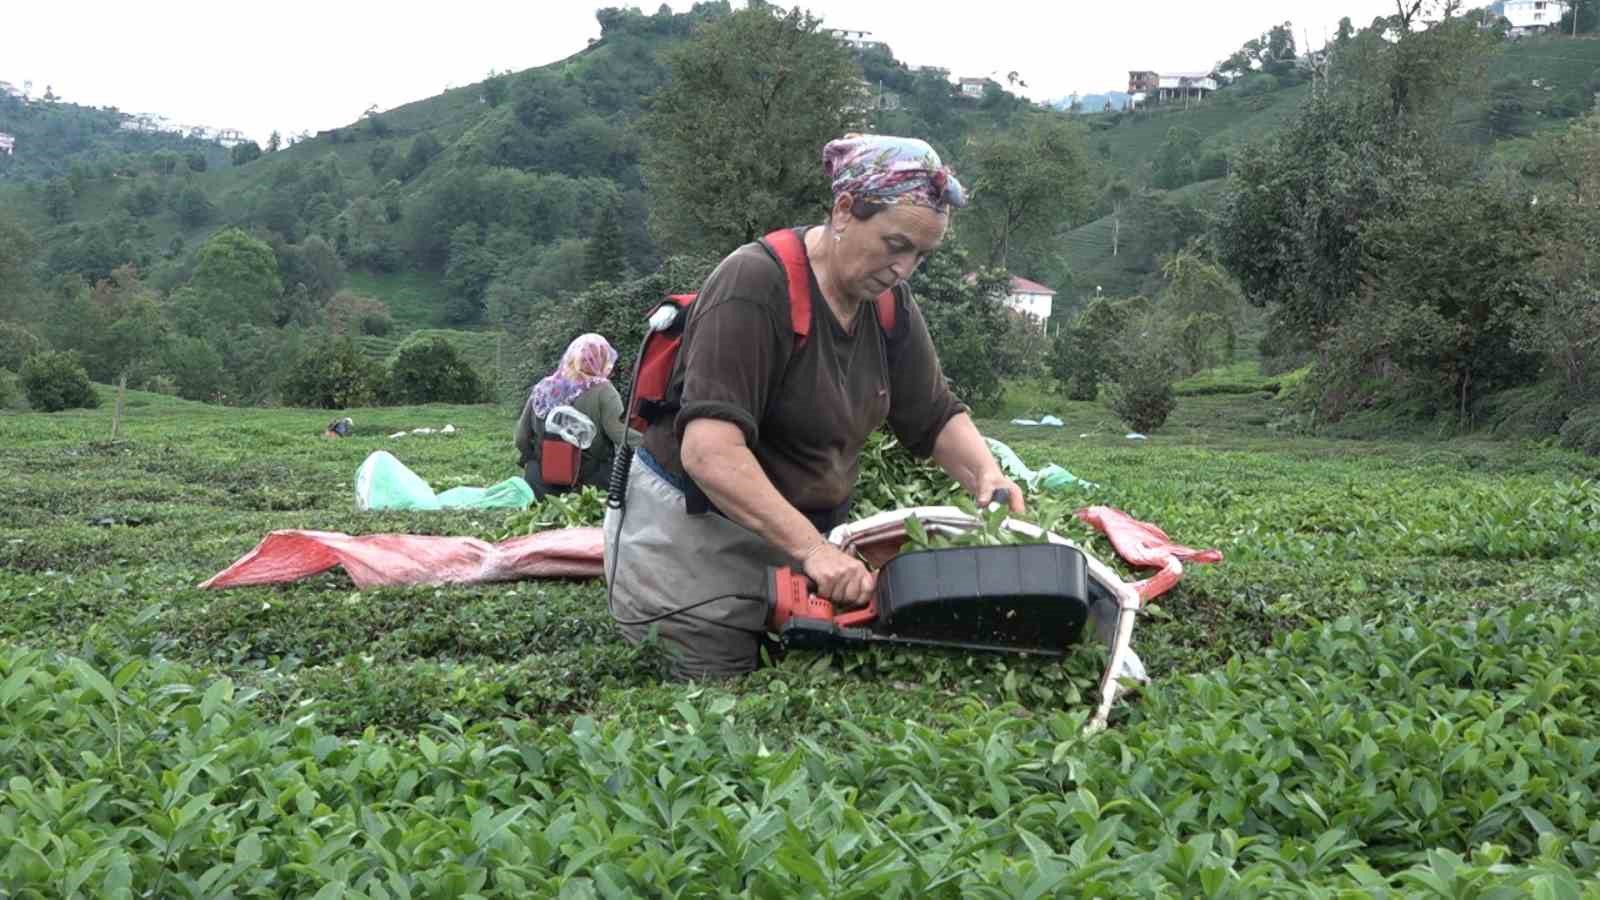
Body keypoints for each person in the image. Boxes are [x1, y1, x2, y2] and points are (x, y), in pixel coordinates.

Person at [604, 133, 1026, 679]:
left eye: (921, 255)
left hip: (799, 551)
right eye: (895, 244)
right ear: (845, 210)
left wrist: (987, 477)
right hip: (698, 550)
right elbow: (710, 453)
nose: (904, 269)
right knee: (722, 711)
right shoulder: (754, 283)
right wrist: (814, 550)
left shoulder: (887, 302)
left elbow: (935, 412)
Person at [515, 333, 636, 499]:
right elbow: (621, 434)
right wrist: (652, 445)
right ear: (604, 362)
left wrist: (534, 461)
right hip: (587, 489)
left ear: (572, 357)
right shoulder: (604, 391)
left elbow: (521, 438)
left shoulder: (544, 387)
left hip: (540, 483)